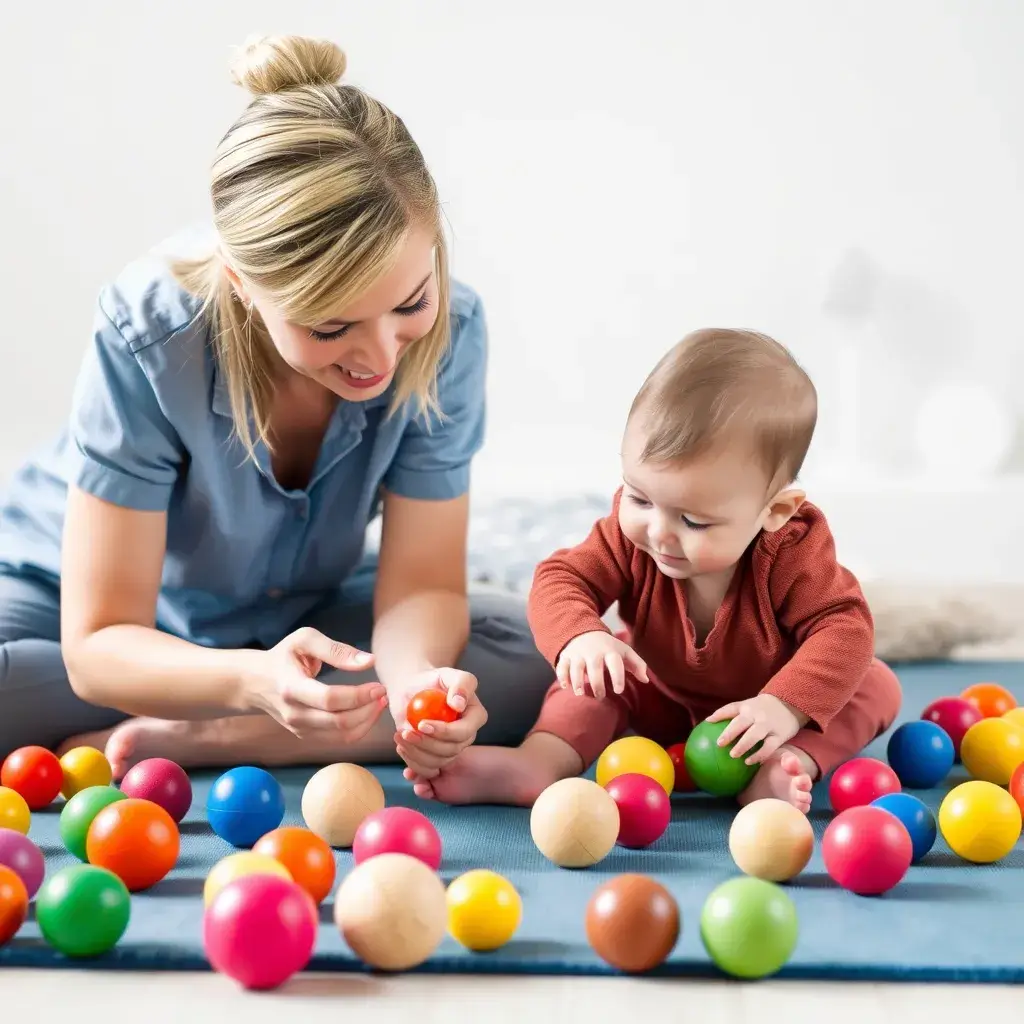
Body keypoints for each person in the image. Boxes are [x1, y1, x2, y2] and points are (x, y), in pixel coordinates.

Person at [0, 33, 554, 777]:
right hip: (74, 603)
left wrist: (416, 686)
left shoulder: (455, 334)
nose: (380, 358)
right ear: (241, 286)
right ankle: (255, 710)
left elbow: (422, 584)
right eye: (330, 327)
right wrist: (251, 680)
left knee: (529, 660)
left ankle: (213, 737)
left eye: (410, 303)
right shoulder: (149, 334)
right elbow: (98, 645)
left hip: (302, 614)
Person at [408, 328, 903, 812]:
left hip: (762, 722)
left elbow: (845, 628)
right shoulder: (627, 536)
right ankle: (539, 761)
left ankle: (788, 763)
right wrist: (581, 636)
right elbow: (561, 578)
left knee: (874, 685)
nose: (659, 532)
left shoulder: (794, 551)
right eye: (640, 498)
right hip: (655, 695)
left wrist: (784, 707)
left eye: (694, 520)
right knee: (595, 677)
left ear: (774, 510)